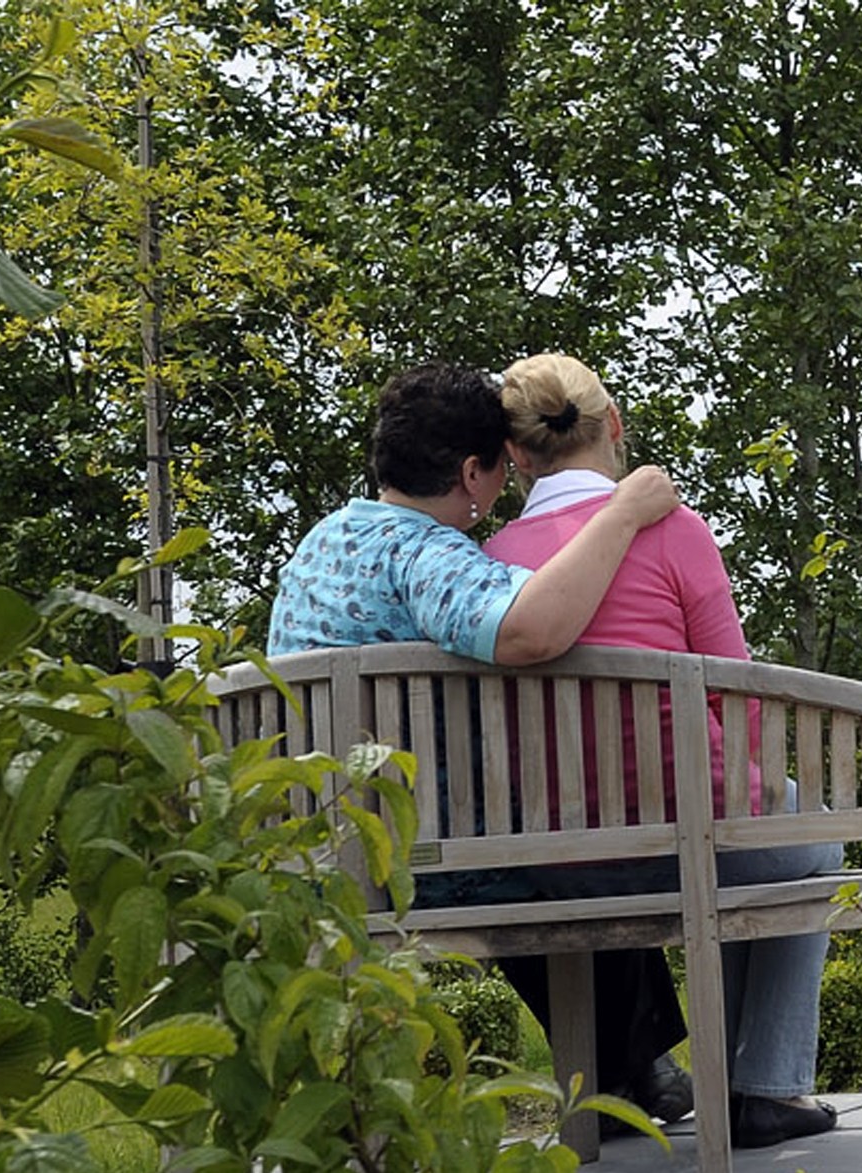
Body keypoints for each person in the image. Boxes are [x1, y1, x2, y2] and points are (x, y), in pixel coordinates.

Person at [267, 361, 692, 1128]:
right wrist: (623, 514)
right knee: (578, 857)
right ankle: (639, 1072)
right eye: (500, 465)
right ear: (471, 471)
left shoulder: (322, 543)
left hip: (315, 842)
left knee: (548, 845)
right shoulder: (426, 555)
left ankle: (639, 1069)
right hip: (420, 860)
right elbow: (529, 629)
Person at [485, 352, 843, 1150]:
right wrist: (757, 788)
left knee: (773, 835)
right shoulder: (672, 529)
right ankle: (761, 1087)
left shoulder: (494, 558)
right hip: (697, 834)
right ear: (613, 427)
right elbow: (737, 687)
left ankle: (744, 1086)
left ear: (515, 455)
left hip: (558, 855)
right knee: (807, 834)